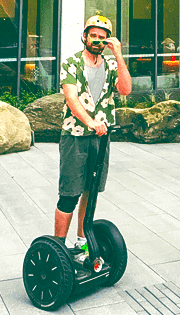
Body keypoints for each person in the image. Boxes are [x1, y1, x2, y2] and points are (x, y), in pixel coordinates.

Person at [54, 13, 132, 257]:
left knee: (91, 190)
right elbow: (71, 98)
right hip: (75, 137)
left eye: (102, 38)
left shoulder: (110, 65)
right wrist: (90, 122)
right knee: (70, 193)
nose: (97, 41)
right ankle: (57, 246)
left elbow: (126, 89)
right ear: (85, 36)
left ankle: (81, 240)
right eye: (93, 36)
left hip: (101, 138)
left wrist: (118, 55)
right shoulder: (71, 63)